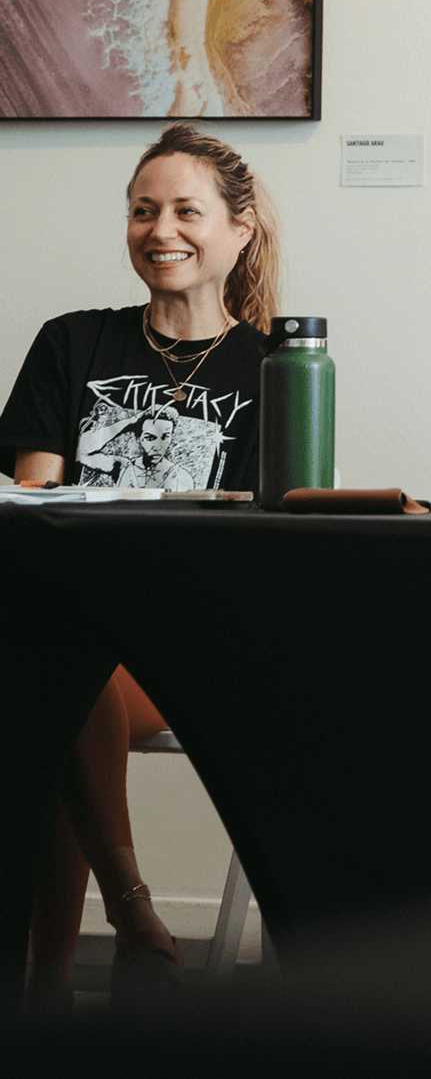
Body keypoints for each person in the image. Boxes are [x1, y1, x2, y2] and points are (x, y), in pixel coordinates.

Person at [0, 123, 278, 1012]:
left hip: (202, 643)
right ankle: (133, 925)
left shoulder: (276, 366)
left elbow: (275, 536)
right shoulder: (71, 343)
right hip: (73, 630)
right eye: (141, 210)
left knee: (51, 676)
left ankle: (64, 972)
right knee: (59, 664)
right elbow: (36, 499)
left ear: (238, 230)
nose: (160, 229)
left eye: (185, 210)